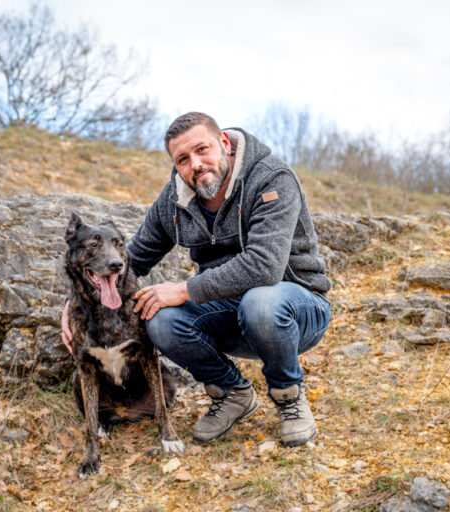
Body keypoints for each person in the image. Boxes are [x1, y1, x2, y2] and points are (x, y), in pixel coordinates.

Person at [62, 112, 331, 447]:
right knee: (157, 318)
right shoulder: (174, 199)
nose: (195, 164)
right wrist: (74, 305)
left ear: (224, 142)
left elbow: (265, 267)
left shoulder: (272, 179)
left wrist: (184, 290)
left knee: (260, 302)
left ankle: (289, 397)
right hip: (230, 313)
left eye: (202, 149)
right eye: (183, 159)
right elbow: (134, 258)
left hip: (295, 310)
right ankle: (232, 393)